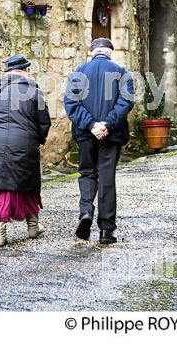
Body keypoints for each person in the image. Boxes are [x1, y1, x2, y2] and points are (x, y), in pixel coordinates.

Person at [64, 38, 134, 244]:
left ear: (92, 52)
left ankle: (85, 212)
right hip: (111, 135)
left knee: (87, 173)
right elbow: (126, 102)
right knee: (106, 177)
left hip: (86, 133)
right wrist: (106, 125)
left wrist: (91, 125)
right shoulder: (122, 73)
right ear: (109, 52)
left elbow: (71, 103)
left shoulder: (78, 73)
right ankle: (106, 230)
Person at [0, 54, 51, 247]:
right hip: (25, 142)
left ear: (7, 71)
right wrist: (38, 139)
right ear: (25, 70)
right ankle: (33, 227)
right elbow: (44, 121)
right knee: (27, 183)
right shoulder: (35, 91)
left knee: (0, 185)